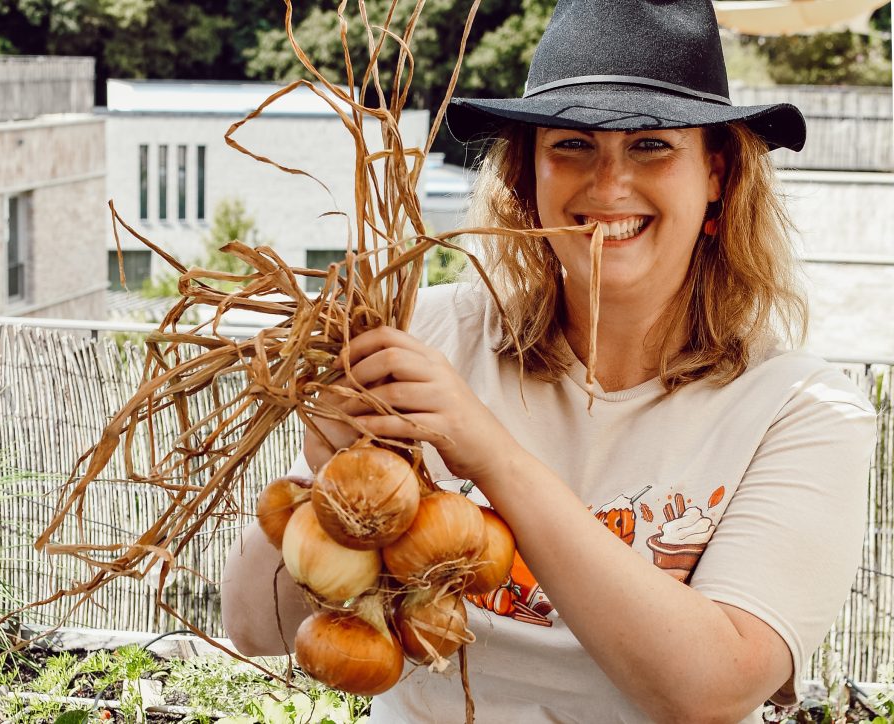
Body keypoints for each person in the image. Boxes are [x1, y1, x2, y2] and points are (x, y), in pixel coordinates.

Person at [221, 0, 878, 721]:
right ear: (523, 176)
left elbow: (713, 689)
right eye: (571, 145)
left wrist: (491, 456)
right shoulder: (424, 334)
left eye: (650, 145)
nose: (607, 185)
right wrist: (330, 478)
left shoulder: (801, 410)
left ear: (716, 174)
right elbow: (256, 627)